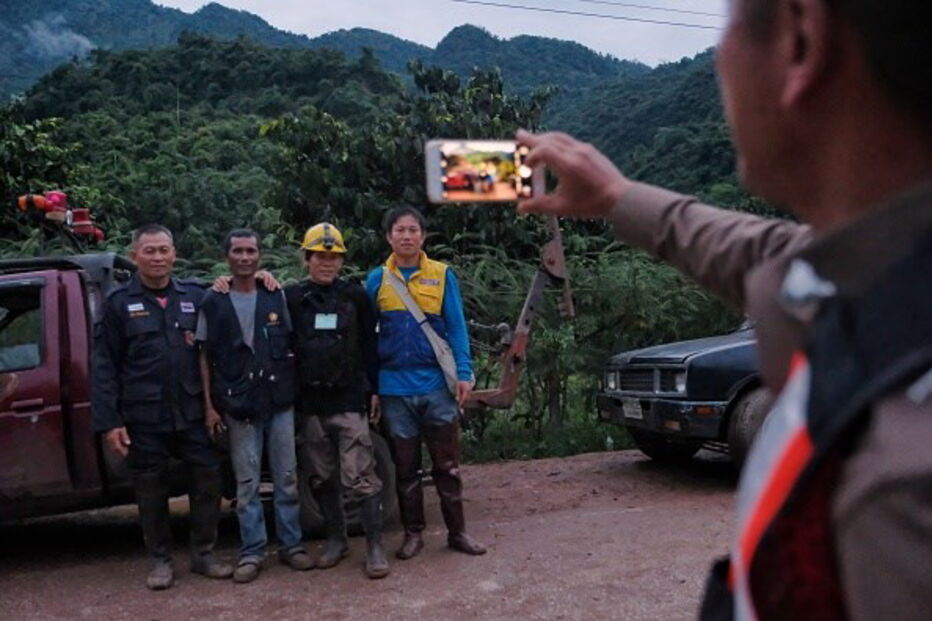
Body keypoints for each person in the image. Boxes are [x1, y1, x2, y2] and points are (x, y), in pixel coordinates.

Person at [515, 0, 931, 617]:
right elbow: (755, 251)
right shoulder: (879, 268)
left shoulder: (899, 487)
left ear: (800, 38)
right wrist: (616, 197)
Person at [92, 224, 233, 590]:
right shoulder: (119, 304)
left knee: (208, 478)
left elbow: (227, 322)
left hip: (191, 411)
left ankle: (203, 553)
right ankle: (160, 561)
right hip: (144, 416)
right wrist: (110, 422)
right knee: (151, 489)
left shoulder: (195, 296)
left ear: (174, 254)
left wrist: (256, 278)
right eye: (149, 251)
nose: (157, 257)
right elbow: (104, 365)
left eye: (163, 250)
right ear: (136, 254)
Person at [366, 206, 487, 559]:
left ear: (422, 236)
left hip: (436, 386)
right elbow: (369, 340)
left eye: (413, 230)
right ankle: (413, 534)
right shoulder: (376, 280)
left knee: (447, 466)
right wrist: (372, 386)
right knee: (405, 469)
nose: (406, 236)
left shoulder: (442, 275)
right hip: (393, 389)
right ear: (389, 237)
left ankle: (458, 533)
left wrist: (464, 373)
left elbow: (456, 327)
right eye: (399, 230)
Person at [196, 229, 313, 583]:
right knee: (246, 484)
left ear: (260, 256)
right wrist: (210, 408)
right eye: (238, 251)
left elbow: (293, 345)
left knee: (287, 478)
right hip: (238, 404)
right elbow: (204, 357)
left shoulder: (274, 295)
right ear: (227, 256)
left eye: (251, 251)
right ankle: (253, 552)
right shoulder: (213, 300)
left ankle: (292, 546)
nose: (245, 257)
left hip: (278, 401)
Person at [285, 223, 390, 579]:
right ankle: (336, 540)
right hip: (311, 406)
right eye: (319, 256)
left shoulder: (356, 297)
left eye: (333, 257)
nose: (326, 263)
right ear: (307, 259)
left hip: (349, 402)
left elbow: (370, 347)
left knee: (360, 474)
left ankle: (374, 548)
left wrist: (374, 388)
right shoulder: (292, 298)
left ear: (341, 260)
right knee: (321, 476)